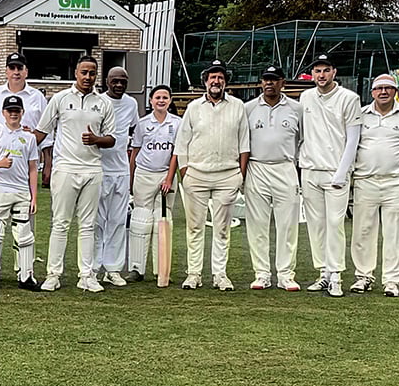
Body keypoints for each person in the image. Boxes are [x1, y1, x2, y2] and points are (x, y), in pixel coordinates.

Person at [33, 56, 116, 292]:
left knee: (88, 225)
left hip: (92, 169)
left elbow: (111, 139)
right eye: (84, 72)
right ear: (76, 73)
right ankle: (53, 275)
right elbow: (41, 131)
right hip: (66, 168)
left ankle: (87, 276)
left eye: (92, 73)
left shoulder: (103, 103)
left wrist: (96, 139)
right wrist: (19, 148)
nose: (88, 77)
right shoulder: (60, 99)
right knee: (60, 223)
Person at [173, 59, 250, 292]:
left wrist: (239, 175)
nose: (216, 81)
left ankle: (220, 275)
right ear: (205, 81)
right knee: (195, 227)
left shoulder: (237, 106)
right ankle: (194, 274)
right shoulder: (194, 107)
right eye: (212, 77)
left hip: (227, 175)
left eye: (220, 77)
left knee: (222, 229)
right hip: (196, 175)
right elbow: (182, 143)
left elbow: (244, 144)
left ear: (226, 82)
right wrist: (185, 172)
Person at [349, 74, 399, 297]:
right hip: (365, 181)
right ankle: (363, 277)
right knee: (363, 231)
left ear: (395, 92)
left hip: (396, 182)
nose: (383, 92)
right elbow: (352, 146)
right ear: (372, 92)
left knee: (395, 233)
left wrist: (393, 167)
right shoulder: (361, 114)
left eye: (388, 88)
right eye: (379, 88)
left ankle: (391, 281)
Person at [298, 54, 362, 297]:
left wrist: (342, 172)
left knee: (335, 224)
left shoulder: (349, 98)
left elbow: (353, 138)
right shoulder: (306, 97)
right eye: (317, 71)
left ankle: (336, 276)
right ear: (312, 74)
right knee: (316, 225)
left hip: (335, 172)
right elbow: (302, 133)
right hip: (310, 170)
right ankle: (323, 273)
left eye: (326, 70)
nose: (321, 75)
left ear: (334, 72)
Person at [243, 66, 303, 291]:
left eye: (274, 80)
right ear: (261, 82)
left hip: (285, 167)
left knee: (287, 224)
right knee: (257, 224)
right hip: (257, 167)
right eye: (266, 79)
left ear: (282, 83)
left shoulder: (296, 108)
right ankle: (262, 274)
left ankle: (286, 274)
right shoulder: (249, 108)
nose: (269, 83)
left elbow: (303, 139)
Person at [0, 95, 40, 293]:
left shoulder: (29, 138)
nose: (13, 114)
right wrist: (0, 164)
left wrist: (34, 196)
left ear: (22, 112)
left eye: (16, 111)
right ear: (3, 113)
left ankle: (26, 275)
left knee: (24, 236)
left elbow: (33, 169)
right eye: (10, 111)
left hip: (21, 192)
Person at [128, 84, 180, 282]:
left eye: (165, 97)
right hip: (144, 174)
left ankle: (162, 270)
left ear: (170, 101)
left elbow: (176, 153)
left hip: (166, 175)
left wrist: (169, 178)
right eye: (157, 97)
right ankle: (137, 269)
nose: (161, 100)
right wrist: (131, 178)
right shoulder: (142, 124)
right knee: (141, 220)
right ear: (151, 101)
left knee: (163, 220)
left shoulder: (177, 123)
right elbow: (135, 152)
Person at [0, 53, 53, 185]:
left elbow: (46, 130)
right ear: (6, 71)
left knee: (27, 196)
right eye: (12, 68)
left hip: (26, 162)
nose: (16, 72)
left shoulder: (37, 97)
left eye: (20, 68)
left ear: (26, 71)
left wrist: (48, 163)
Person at [94, 66, 138, 286]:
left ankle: (113, 269)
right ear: (107, 81)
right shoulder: (98, 102)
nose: (119, 85)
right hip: (99, 169)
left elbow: (132, 130)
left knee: (118, 221)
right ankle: (93, 268)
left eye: (123, 81)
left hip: (121, 170)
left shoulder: (131, 104)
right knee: (96, 222)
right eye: (115, 81)